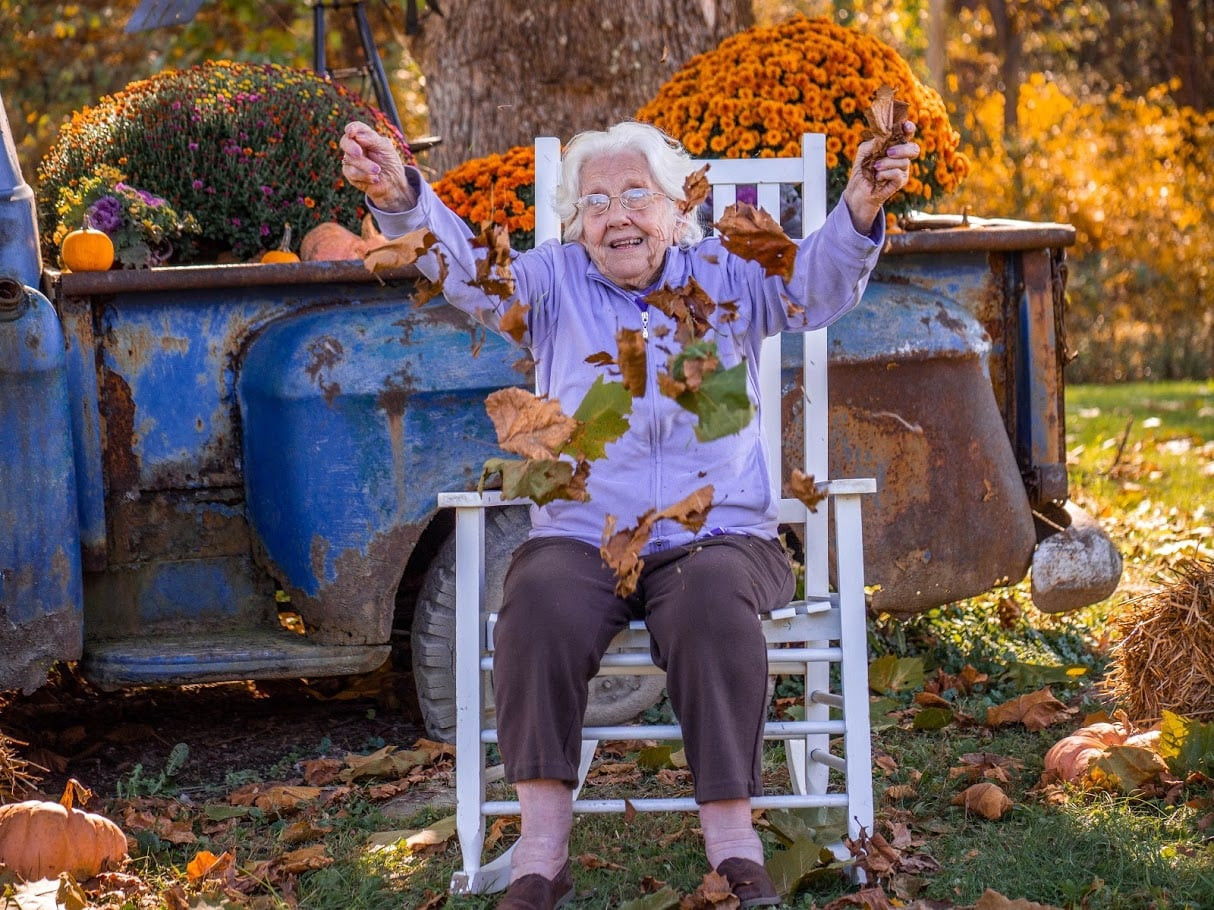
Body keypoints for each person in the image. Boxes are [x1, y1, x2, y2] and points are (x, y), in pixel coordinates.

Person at [340, 117, 918, 909]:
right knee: (536, 604)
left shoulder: (730, 271)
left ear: (679, 208)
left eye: (636, 195)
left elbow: (814, 286)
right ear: (578, 224)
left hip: (720, 532)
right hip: (584, 535)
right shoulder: (550, 283)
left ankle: (733, 842)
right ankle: (541, 850)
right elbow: (469, 272)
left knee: (713, 601)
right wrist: (403, 197)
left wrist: (857, 205)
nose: (617, 216)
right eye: (597, 202)